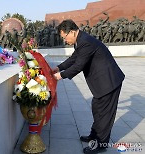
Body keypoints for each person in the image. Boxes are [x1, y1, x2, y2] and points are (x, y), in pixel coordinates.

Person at [52, 19, 125, 154]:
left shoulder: (85, 42)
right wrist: (58, 68)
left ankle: (100, 144)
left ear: (72, 32)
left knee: (104, 114)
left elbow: (79, 65)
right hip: (103, 82)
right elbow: (74, 59)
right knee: (97, 109)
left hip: (109, 82)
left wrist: (59, 76)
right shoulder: (81, 41)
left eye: (65, 37)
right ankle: (94, 135)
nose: (65, 41)